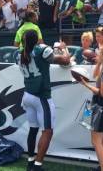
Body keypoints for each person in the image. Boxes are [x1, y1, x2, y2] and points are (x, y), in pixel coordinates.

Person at [18, 30, 70, 171]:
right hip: (41, 96)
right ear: (37, 39)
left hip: (27, 94)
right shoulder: (42, 50)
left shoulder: (19, 53)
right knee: (47, 131)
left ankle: (30, 161)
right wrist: (64, 48)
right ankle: (37, 166)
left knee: (33, 129)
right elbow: (65, 60)